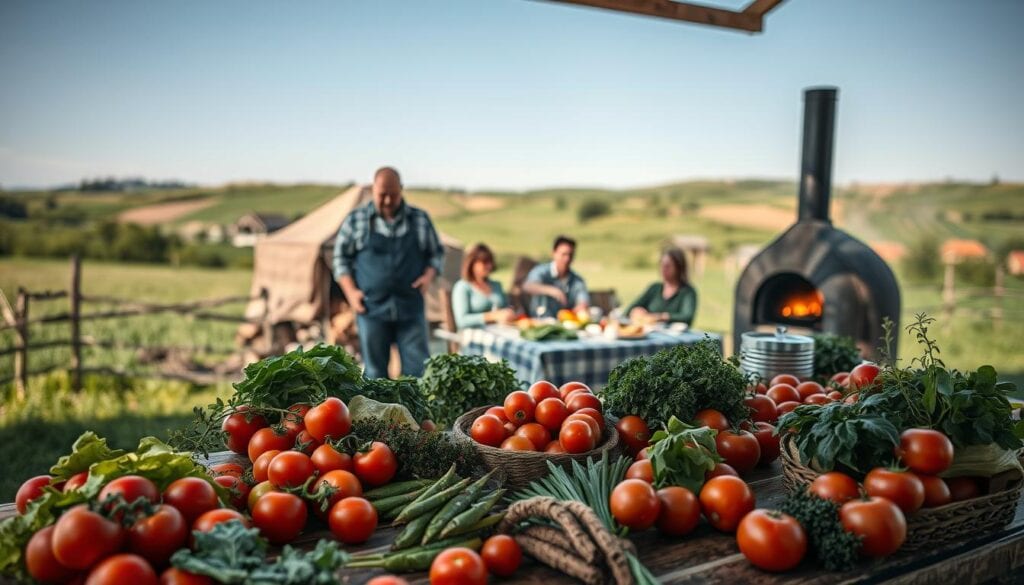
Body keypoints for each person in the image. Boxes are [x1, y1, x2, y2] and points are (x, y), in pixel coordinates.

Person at [333, 167, 444, 379]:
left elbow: (436, 254)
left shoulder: (419, 219)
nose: (386, 200)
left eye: (392, 194)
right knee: (375, 373)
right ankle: (377, 413)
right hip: (370, 307)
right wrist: (351, 293)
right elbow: (340, 260)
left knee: (417, 372)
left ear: (401, 190)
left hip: (410, 305)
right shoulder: (356, 220)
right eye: (382, 194)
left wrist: (428, 277)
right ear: (373, 189)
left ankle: (416, 413)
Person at [625, 246, 698, 326]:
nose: (663, 269)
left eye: (668, 266)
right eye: (661, 265)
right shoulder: (654, 288)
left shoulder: (687, 292)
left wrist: (662, 317)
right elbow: (630, 309)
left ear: (679, 267)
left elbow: (687, 317)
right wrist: (635, 311)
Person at [523, 235, 589, 318]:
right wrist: (552, 291)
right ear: (554, 253)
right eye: (564, 254)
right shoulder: (541, 271)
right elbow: (528, 286)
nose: (567, 259)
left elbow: (583, 300)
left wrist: (581, 307)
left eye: (570, 255)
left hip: (567, 323)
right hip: (540, 321)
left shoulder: (577, 280)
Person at [451, 243, 515, 329]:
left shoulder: (496, 285)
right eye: (484, 262)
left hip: (500, 331)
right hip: (475, 335)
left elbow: (506, 308)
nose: (489, 266)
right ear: (472, 263)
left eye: (490, 262)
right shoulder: (463, 287)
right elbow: (461, 321)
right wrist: (491, 316)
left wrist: (509, 314)